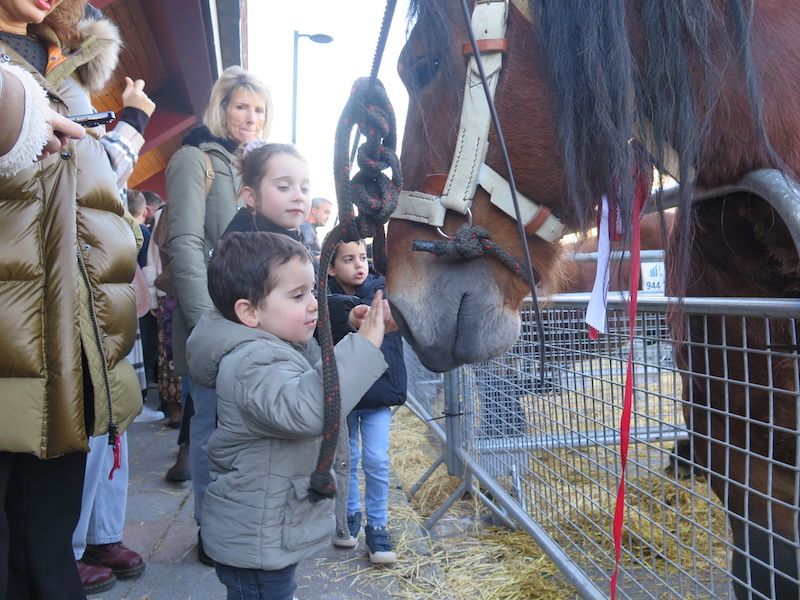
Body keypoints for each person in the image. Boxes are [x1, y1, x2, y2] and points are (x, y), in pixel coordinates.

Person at [0, 0, 144, 597]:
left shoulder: (61, 60)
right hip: (13, 313)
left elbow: (103, 181)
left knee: (48, 512)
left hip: (62, 316)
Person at [186, 232, 389, 600]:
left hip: (267, 527)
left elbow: (313, 378)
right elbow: (308, 407)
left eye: (312, 291)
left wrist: (349, 332)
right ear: (249, 312)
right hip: (256, 540)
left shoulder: (270, 344)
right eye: (298, 296)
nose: (314, 304)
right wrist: (364, 347)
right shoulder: (251, 362)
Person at [163, 65, 272, 563]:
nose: (251, 117)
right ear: (220, 107)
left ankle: (244, 525)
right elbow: (183, 243)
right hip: (215, 320)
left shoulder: (258, 165)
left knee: (250, 430)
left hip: (259, 322)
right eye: (241, 106)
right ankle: (211, 530)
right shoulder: (193, 159)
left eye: (259, 109)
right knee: (210, 428)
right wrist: (207, 321)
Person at [327, 240, 407, 564]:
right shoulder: (324, 299)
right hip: (345, 395)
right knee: (349, 457)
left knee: (375, 459)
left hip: (378, 394)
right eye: (348, 259)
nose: (360, 264)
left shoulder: (385, 292)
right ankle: (348, 514)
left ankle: (377, 525)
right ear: (331, 267)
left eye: (363, 257)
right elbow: (331, 313)